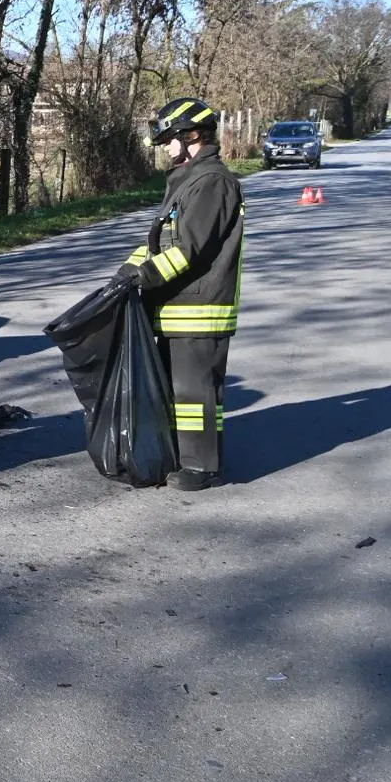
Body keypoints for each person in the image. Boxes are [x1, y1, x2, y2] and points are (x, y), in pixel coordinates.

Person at [112, 97, 245, 491]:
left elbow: (189, 250)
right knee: (179, 393)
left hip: (200, 310)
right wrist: (126, 272)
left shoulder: (213, 184)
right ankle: (187, 457)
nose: (167, 147)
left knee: (195, 396)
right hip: (177, 308)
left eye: (171, 138)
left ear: (193, 136)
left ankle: (202, 467)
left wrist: (144, 278)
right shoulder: (189, 182)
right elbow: (159, 241)